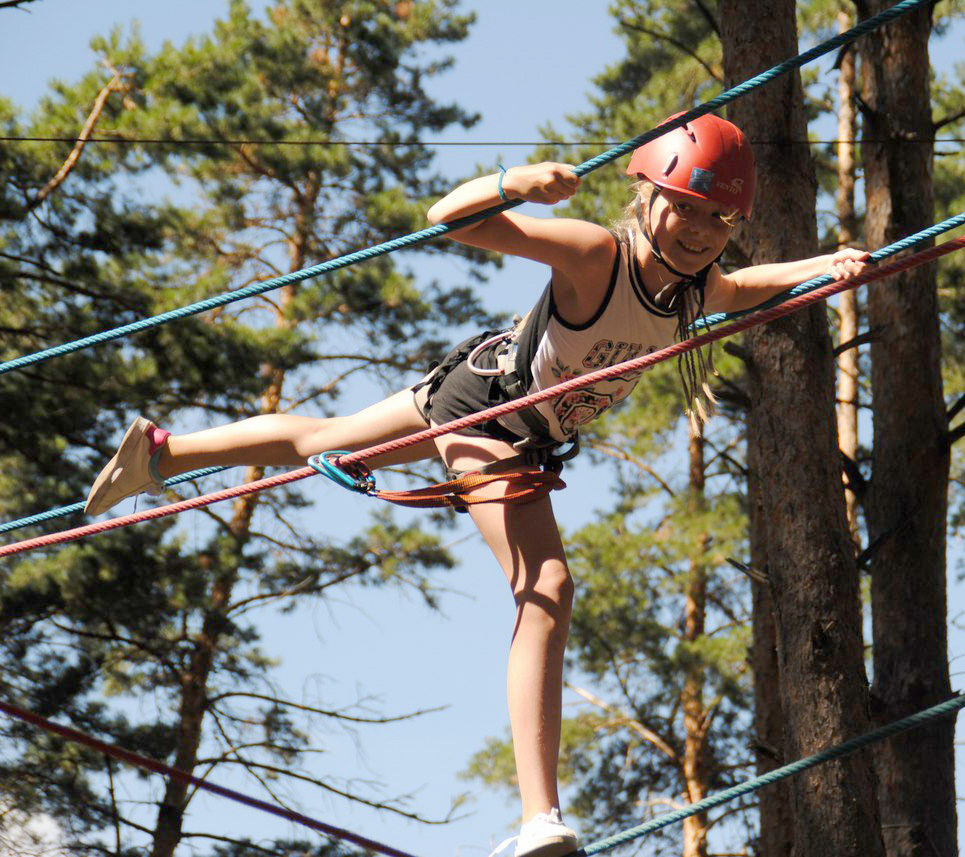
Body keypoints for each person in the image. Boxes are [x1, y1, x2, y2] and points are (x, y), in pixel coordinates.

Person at [84, 113, 869, 857]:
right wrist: (515, 181)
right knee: (548, 587)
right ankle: (539, 818)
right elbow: (447, 219)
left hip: (490, 404)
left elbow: (747, 287)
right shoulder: (598, 253)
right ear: (649, 196)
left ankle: (161, 454)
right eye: (684, 209)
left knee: (321, 439)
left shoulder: (698, 290)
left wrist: (826, 266)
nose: (698, 233)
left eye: (717, 221)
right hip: (487, 415)